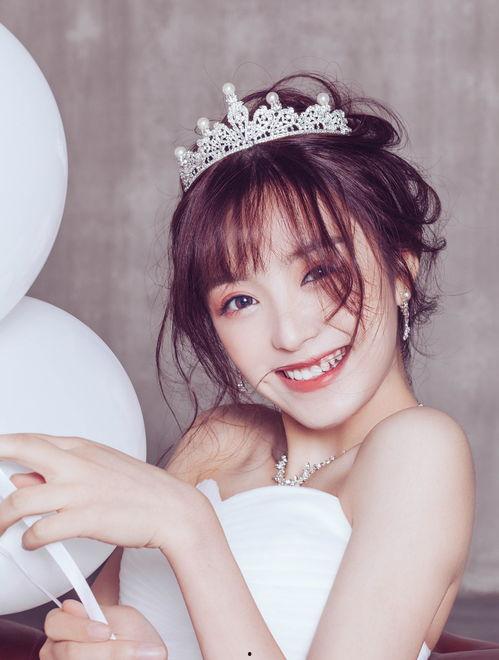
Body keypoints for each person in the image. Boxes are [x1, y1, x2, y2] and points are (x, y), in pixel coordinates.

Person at [34, 72, 476, 658]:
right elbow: (97, 629)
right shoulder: (216, 440)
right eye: (240, 301)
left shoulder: (419, 449)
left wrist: (189, 528)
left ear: (401, 269)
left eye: (320, 272)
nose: (289, 335)